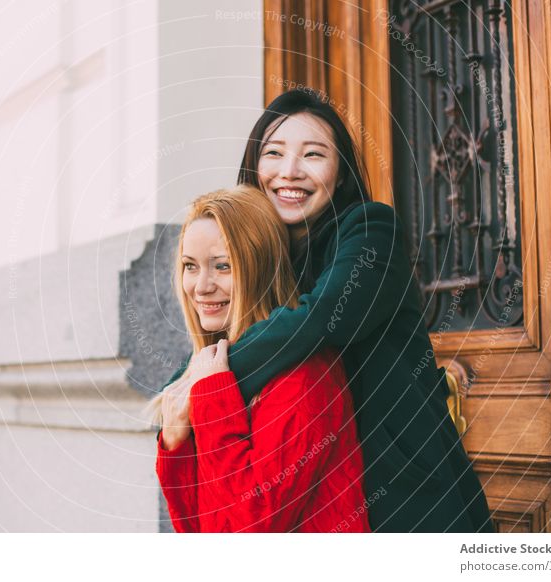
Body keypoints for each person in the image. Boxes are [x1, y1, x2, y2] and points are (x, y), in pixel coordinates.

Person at [161, 88, 494, 533]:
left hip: (403, 495)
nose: (289, 171)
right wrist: (188, 391)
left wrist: (202, 385)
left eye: (313, 154)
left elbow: (319, 320)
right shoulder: (266, 259)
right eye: (274, 153)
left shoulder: (370, 232)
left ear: (339, 175)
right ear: (253, 169)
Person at [148, 185, 370, 533]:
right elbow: (198, 530)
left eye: (222, 266)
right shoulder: (215, 368)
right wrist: (176, 445)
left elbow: (254, 523)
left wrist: (212, 398)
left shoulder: (304, 374)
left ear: (260, 267)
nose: (201, 286)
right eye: (190, 266)